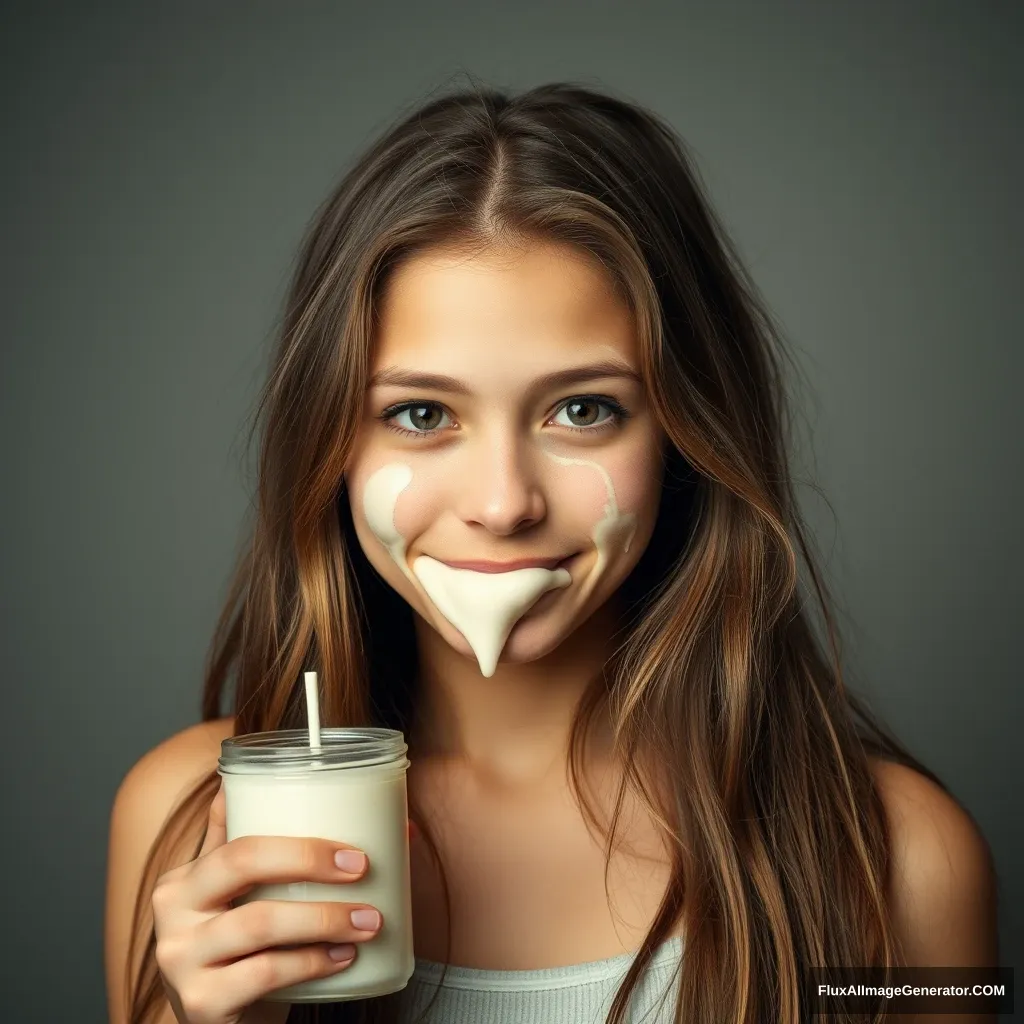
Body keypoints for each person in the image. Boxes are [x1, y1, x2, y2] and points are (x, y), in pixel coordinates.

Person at [104, 80, 999, 1024]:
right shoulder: (188, 825)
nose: (503, 504)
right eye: (421, 414)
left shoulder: (905, 856)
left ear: (685, 434)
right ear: (330, 443)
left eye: (583, 410)